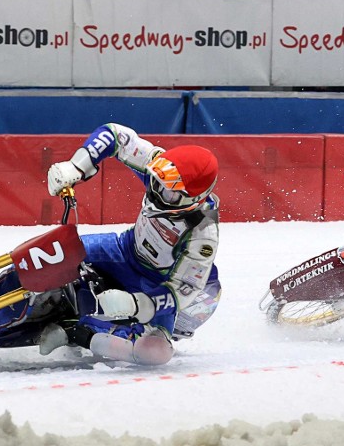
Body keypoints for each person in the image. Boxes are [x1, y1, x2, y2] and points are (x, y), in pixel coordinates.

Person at [35, 122, 222, 365]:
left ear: (193, 199)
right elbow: (116, 135)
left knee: (156, 353)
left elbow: (180, 292)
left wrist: (137, 305)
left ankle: (76, 333)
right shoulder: (162, 169)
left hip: (155, 284)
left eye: (169, 192)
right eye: (156, 181)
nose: (156, 190)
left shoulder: (203, 234)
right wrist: (78, 165)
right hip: (123, 249)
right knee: (57, 249)